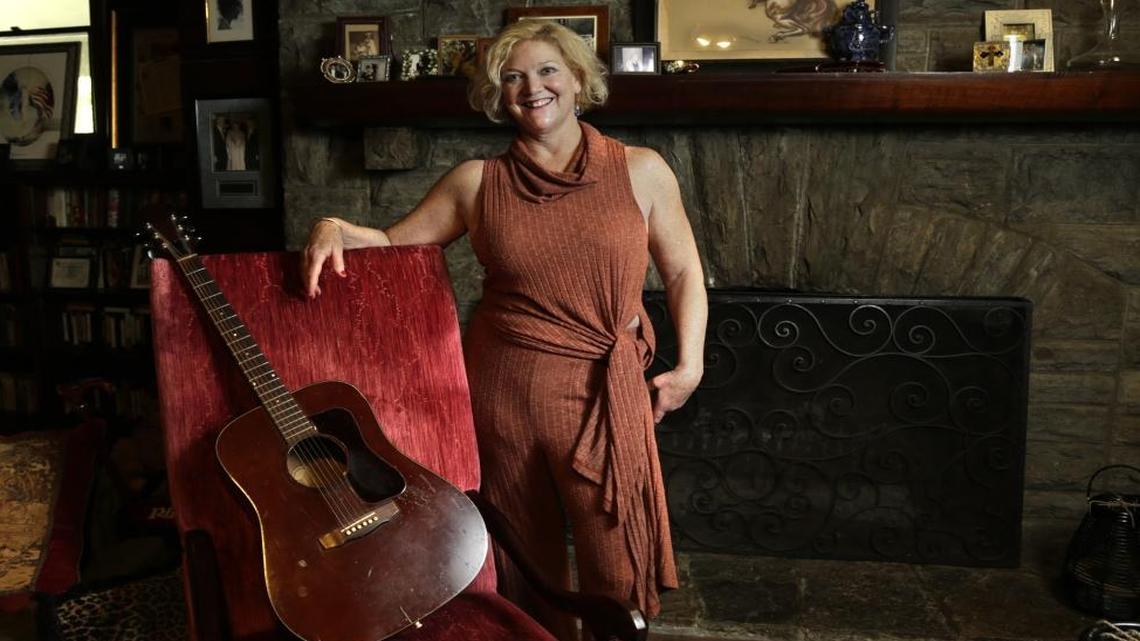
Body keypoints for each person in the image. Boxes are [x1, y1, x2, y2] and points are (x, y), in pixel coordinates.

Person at [301, 19, 707, 641]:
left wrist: (690, 365)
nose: (532, 88)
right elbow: (389, 244)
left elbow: (682, 272)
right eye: (512, 77)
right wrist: (334, 223)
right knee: (523, 549)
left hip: (603, 388)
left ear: (577, 80)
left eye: (547, 71)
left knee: (615, 556)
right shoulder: (475, 181)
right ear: (498, 94)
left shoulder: (642, 170)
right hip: (502, 391)